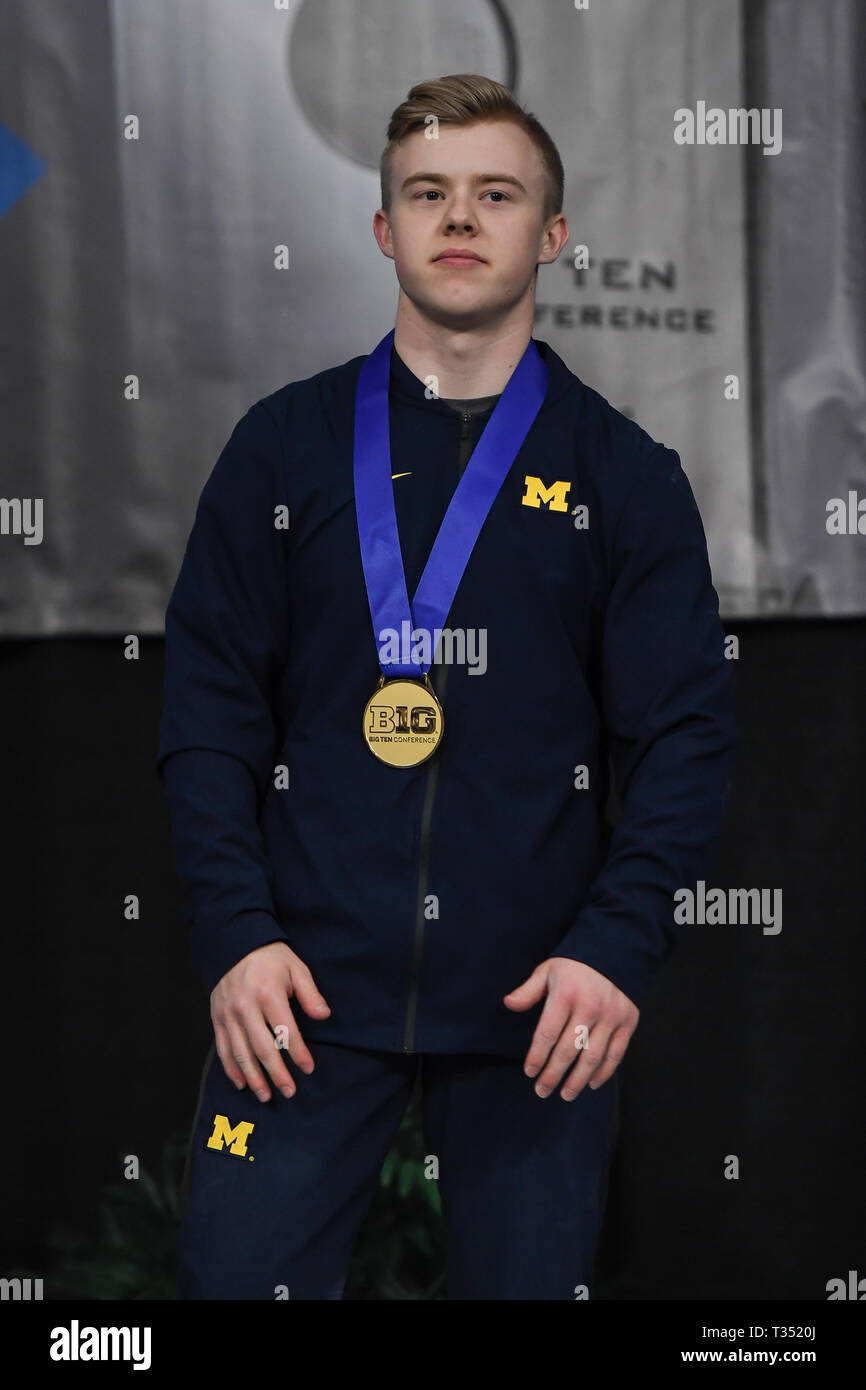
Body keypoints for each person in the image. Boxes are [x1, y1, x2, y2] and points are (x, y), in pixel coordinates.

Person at [156, 72, 738, 1300]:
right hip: (295, 999)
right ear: (383, 228)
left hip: (538, 1010)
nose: (458, 219)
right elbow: (207, 712)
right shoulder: (282, 447)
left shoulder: (622, 475)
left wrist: (612, 950)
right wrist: (234, 936)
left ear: (551, 233)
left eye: (494, 194)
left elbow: (684, 734)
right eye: (427, 193)